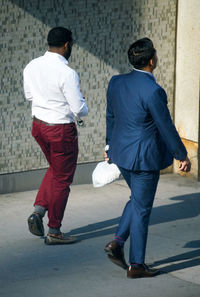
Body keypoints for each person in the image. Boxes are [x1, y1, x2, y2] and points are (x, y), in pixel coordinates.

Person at [104, 37, 191, 278]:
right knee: (142, 208)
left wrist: (108, 145)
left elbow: (110, 116)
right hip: (144, 159)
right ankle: (136, 264)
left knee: (137, 200)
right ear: (152, 61)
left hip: (121, 154)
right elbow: (166, 126)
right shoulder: (154, 90)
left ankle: (118, 242)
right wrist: (181, 154)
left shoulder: (116, 82)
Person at [23, 27, 88, 245]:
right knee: (62, 178)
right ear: (67, 45)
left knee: (55, 169)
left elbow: (29, 95)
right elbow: (79, 108)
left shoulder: (32, 65)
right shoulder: (67, 73)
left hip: (39, 126)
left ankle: (38, 211)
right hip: (60, 130)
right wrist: (84, 106)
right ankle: (54, 230)